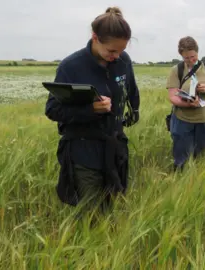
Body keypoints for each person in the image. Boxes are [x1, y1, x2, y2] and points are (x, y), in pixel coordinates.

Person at [45, 7, 140, 211]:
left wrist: (135, 110)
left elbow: (130, 88)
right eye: (112, 51)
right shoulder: (71, 67)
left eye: (122, 50)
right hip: (84, 152)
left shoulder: (123, 61)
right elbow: (53, 110)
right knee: (91, 214)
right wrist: (91, 110)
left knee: (115, 207)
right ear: (95, 38)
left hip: (115, 149)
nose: (117, 56)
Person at [165, 36, 205, 171]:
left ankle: (200, 182)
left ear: (197, 52)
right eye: (186, 58)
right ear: (181, 55)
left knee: (202, 158)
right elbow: (173, 97)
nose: (190, 60)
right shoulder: (176, 70)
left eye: (193, 56)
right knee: (181, 159)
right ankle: (179, 181)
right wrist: (188, 104)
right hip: (183, 121)